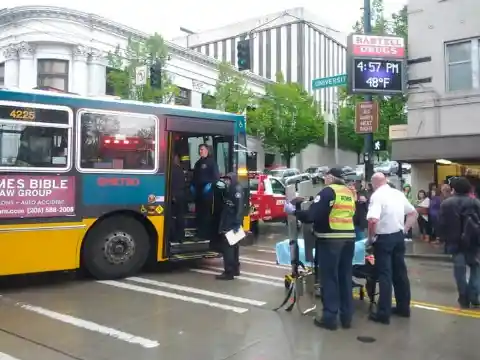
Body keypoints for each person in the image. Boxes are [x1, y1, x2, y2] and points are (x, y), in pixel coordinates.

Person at [295, 168, 356, 331]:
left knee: (329, 279)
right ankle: (346, 317)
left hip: (330, 240)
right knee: (345, 278)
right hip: (349, 239)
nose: (324, 180)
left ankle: (329, 318)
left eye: (325, 177)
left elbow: (311, 216)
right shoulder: (349, 193)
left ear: (330, 177)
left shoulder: (328, 192)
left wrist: (294, 211)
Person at [367, 172, 417, 324]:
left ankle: (383, 313)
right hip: (398, 236)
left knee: (385, 275)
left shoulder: (377, 196)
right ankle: (403, 308)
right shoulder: (397, 193)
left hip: (384, 239)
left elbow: (373, 220)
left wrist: (371, 237)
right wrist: (404, 230)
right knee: (400, 273)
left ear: (374, 183)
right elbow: (413, 213)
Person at [438, 177, 480, 308]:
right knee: (476, 267)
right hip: (474, 241)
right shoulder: (476, 203)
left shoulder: (446, 204)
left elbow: (441, 225)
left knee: (459, 270)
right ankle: (474, 293)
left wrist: (443, 238)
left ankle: (463, 296)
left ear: (453, 189)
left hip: (454, 242)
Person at [216, 172, 244, 280]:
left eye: (228, 180)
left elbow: (239, 208)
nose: (226, 182)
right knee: (234, 246)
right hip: (232, 222)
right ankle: (235, 269)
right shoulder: (232, 189)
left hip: (232, 223)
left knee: (228, 247)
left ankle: (229, 272)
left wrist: (237, 222)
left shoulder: (236, 190)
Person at [192, 144, 220, 239]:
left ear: (207, 150)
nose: (200, 151)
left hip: (207, 193)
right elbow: (195, 177)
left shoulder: (211, 162)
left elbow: (216, 177)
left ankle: (205, 234)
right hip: (198, 192)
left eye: (202, 149)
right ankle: (199, 232)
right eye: (199, 150)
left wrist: (210, 185)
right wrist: (192, 186)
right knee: (199, 214)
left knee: (206, 214)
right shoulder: (197, 163)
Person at [171, 154, 186, 243]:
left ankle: (174, 236)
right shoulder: (180, 169)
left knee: (173, 217)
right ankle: (181, 236)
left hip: (174, 195)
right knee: (180, 216)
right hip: (181, 194)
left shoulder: (171, 169)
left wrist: (172, 195)